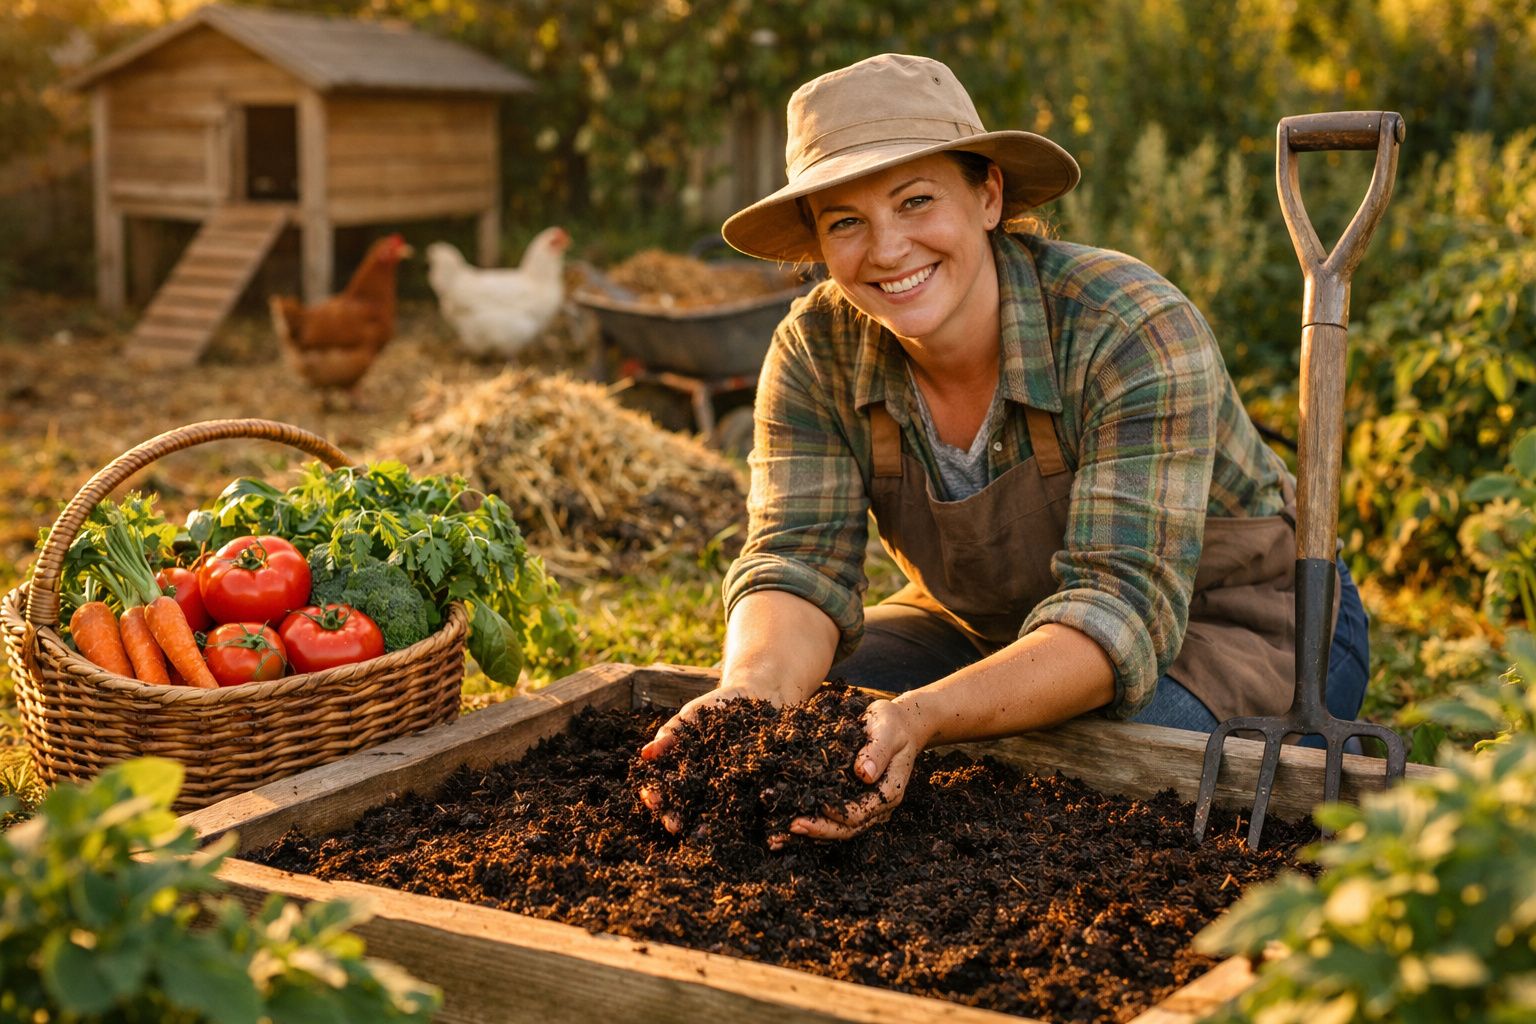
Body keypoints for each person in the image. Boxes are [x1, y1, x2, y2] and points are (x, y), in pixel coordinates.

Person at [639, 53, 1369, 843]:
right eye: (845, 221)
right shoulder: (817, 350)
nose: (886, 250)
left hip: (1231, 624)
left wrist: (926, 714)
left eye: (916, 201)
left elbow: (1118, 605)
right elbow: (798, 562)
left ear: (987, 195)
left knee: (1079, 771)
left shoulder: (1126, 326)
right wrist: (747, 702)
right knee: (820, 720)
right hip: (988, 624)